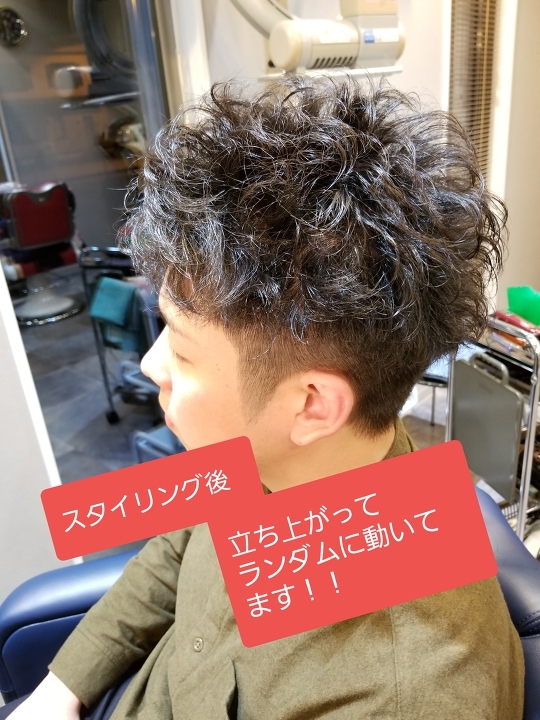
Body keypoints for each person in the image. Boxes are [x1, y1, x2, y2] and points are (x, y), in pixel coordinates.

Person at [3, 78, 523, 719]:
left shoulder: (404, 695)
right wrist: (59, 691)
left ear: (312, 405)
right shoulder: (262, 454)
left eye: (183, 351)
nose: (150, 365)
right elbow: (178, 548)